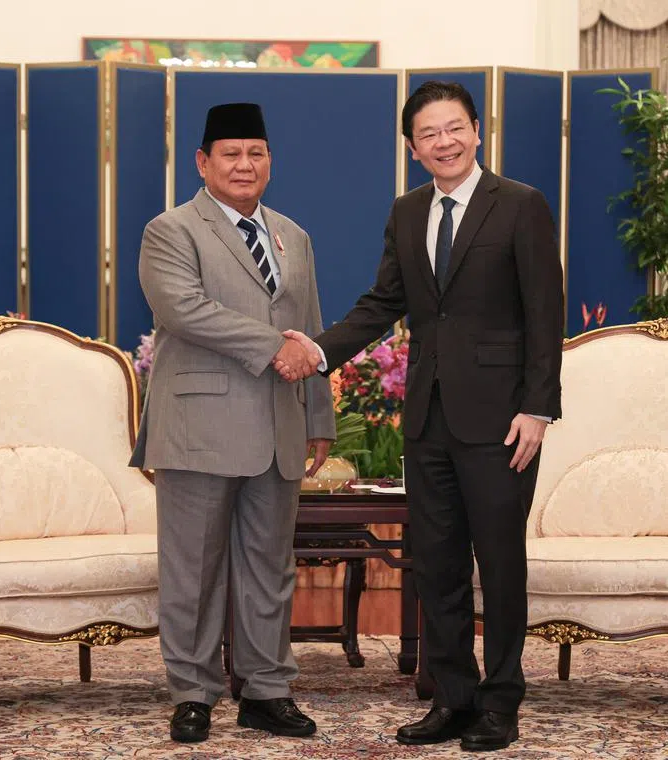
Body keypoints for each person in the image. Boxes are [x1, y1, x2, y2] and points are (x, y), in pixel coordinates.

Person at [279, 81, 562, 752]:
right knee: (436, 566)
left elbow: (545, 313)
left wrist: (538, 408)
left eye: (454, 128)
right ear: (413, 148)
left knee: (498, 563)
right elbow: (384, 303)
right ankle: (453, 701)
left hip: (502, 422)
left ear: (476, 131)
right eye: (429, 134)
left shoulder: (520, 206)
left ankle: (501, 704)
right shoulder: (408, 212)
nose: (445, 142)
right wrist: (320, 350)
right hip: (428, 420)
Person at [128, 102, 335, 744]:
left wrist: (318, 415)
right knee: (193, 569)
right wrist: (275, 347)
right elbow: (185, 309)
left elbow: (312, 325)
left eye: (256, 153)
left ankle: (267, 690)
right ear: (203, 162)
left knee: (270, 566)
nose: (245, 165)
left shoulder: (292, 235)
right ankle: (193, 693)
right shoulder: (171, 230)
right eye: (230, 154)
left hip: (278, 426)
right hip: (199, 426)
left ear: (270, 161)